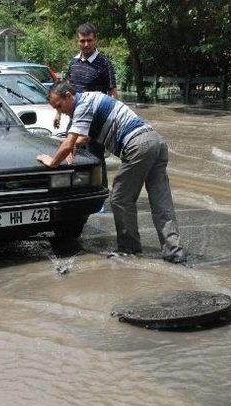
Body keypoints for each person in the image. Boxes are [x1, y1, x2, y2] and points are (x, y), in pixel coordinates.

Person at [37, 81, 185, 264]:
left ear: (69, 95)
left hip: (138, 145)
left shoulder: (82, 105)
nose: (61, 111)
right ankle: (174, 254)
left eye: (59, 106)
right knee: (161, 203)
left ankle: (129, 249)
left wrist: (52, 162)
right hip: (156, 142)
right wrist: (74, 143)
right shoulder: (92, 98)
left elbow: (68, 142)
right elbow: (86, 136)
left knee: (120, 199)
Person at [54, 23, 118, 189]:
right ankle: (76, 190)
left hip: (96, 119)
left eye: (89, 40)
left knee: (95, 157)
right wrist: (58, 113)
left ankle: (100, 193)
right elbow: (65, 91)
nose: (86, 44)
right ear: (78, 41)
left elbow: (112, 93)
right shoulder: (73, 62)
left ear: (95, 40)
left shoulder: (104, 64)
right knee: (71, 152)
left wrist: (112, 119)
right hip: (75, 117)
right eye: (82, 41)